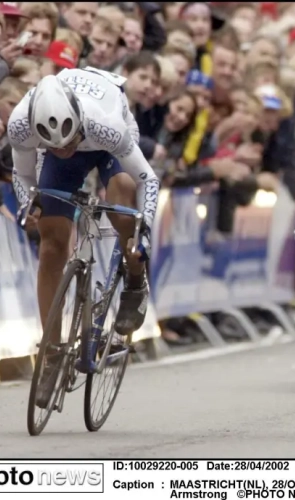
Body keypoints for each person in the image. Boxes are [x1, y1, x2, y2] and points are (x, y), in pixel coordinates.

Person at [8, 67, 160, 408]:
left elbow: (149, 181)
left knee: (122, 199)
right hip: (64, 138)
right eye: (53, 145)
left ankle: (135, 280)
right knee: (51, 245)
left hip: (106, 145)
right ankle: (51, 353)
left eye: (68, 142)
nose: (63, 150)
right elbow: (24, 176)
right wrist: (27, 205)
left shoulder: (107, 125)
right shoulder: (21, 124)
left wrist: (143, 230)